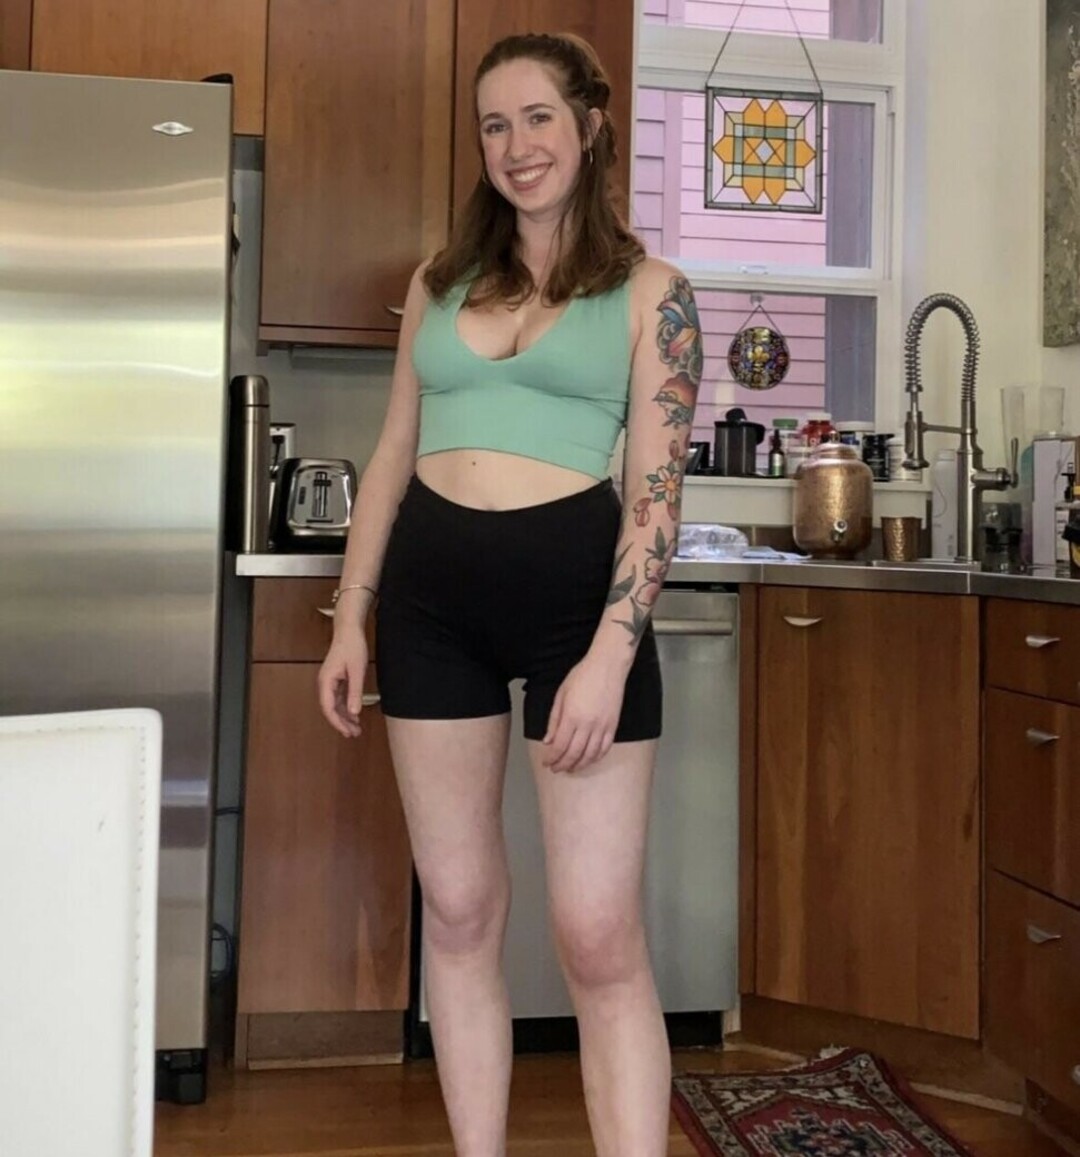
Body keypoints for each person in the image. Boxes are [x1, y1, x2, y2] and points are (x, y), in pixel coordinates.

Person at [317, 30, 702, 1157]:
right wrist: (350, 615)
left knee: (595, 933)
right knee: (459, 909)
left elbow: (657, 494)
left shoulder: (655, 294)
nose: (516, 144)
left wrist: (610, 655)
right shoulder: (435, 282)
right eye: (495, 124)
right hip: (431, 610)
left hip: (581, 611)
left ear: (590, 126)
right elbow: (394, 451)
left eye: (538, 117)